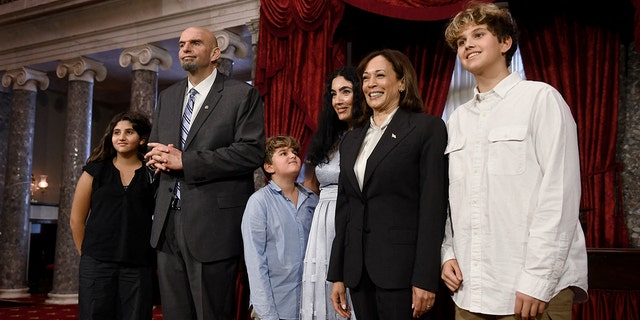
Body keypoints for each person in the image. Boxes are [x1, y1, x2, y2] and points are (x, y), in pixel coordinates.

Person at [440, 2, 589, 320]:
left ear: (505, 42)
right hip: (469, 293)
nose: (468, 45)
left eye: (478, 34)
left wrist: (537, 279)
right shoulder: (457, 120)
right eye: (461, 41)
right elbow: (453, 201)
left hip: (531, 294)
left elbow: (559, 197)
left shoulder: (541, 99)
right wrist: (447, 252)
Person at [144, 26, 265, 320]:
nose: (185, 48)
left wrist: (187, 161)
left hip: (213, 226)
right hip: (167, 224)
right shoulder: (169, 96)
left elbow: (251, 152)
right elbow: (160, 149)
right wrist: (155, 160)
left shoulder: (241, 94)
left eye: (195, 43)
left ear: (214, 53)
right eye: (182, 43)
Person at [327, 49, 449, 320]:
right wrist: (338, 275)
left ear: (402, 82)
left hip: (403, 274)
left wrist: (426, 277)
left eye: (380, 76)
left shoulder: (427, 129)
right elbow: (345, 210)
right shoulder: (351, 139)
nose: (371, 83)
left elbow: (433, 208)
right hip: (358, 274)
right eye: (366, 78)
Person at [70, 111, 156, 320]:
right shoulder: (94, 171)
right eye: (117, 132)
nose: (121, 137)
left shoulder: (152, 172)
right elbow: (76, 220)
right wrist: (88, 255)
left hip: (138, 263)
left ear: (142, 139)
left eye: (129, 132)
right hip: (97, 262)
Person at [300, 66, 363, 320]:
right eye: (333, 93)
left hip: (352, 219)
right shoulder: (327, 137)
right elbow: (310, 185)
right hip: (322, 225)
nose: (338, 100)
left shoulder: (368, 134)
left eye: (346, 91)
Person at [241, 135, 318, 320]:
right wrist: (266, 312)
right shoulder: (259, 203)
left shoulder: (313, 200)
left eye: (294, 152)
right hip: (276, 305)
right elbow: (255, 260)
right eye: (283, 153)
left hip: (310, 305)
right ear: (269, 167)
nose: (292, 156)